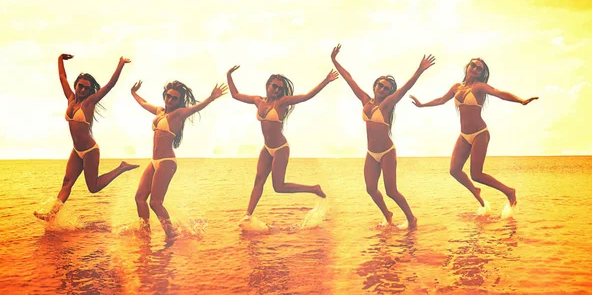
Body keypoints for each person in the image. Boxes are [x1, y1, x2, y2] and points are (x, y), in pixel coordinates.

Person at [409, 58, 538, 208]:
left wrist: (520, 100)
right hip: (464, 135)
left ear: (481, 73)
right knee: (454, 170)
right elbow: (441, 100)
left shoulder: (480, 87)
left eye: (479, 69)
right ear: (468, 66)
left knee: (476, 174)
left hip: (480, 133)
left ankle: (509, 191)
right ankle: (475, 190)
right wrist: (422, 105)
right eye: (473, 65)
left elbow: (499, 93)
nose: (475, 69)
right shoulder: (456, 87)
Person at [331, 44, 435, 229]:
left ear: (389, 92)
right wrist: (334, 60)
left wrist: (419, 70)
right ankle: (387, 213)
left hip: (387, 152)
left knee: (391, 191)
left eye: (386, 88)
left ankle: (411, 219)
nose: (382, 88)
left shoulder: (387, 104)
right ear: (375, 86)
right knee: (371, 189)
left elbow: (404, 88)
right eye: (380, 85)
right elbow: (349, 79)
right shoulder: (365, 100)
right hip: (371, 153)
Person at [226, 64, 338, 220]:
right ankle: (248, 215)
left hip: (280, 148)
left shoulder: (283, 102)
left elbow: (306, 96)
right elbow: (235, 94)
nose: (277, 90)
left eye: (280, 88)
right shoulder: (258, 101)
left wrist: (325, 81)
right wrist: (229, 75)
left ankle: (314, 188)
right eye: (275, 86)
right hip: (267, 148)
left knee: (278, 187)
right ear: (268, 85)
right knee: (258, 180)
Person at [34, 54, 139, 221]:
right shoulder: (70, 99)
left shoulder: (90, 102)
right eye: (80, 86)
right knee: (67, 183)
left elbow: (110, 85)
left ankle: (121, 168)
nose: (82, 90)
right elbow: (62, 77)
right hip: (76, 150)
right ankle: (51, 215)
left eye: (86, 88)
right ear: (76, 85)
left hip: (90, 150)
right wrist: (60, 59)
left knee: (93, 187)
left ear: (90, 91)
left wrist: (120, 64)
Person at [131, 80, 228, 239]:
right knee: (140, 198)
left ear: (179, 101)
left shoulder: (179, 113)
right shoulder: (160, 112)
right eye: (168, 96)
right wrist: (134, 93)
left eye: (174, 98)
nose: (169, 100)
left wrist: (211, 98)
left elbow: (195, 108)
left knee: (155, 203)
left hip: (166, 162)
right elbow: (144, 103)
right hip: (154, 161)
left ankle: (172, 235)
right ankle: (145, 235)